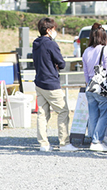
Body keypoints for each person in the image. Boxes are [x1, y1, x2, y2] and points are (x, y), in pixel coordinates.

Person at [32, 17, 77, 152]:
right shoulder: (51, 44)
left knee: (42, 114)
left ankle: (44, 144)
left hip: (39, 82)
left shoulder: (35, 43)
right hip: (51, 83)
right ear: (48, 30)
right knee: (63, 111)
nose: (55, 31)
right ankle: (64, 143)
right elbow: (61, 63)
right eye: (53, 29)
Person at [82, 23, 107, 152]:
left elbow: (85, 72)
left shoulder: (86, 51)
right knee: (105, 115)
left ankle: (93, 139)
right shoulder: (105, 49)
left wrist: (88, 84)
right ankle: (96, 141)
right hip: (102, 87)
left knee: (93, 115)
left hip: (90, 87)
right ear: (103, 36)